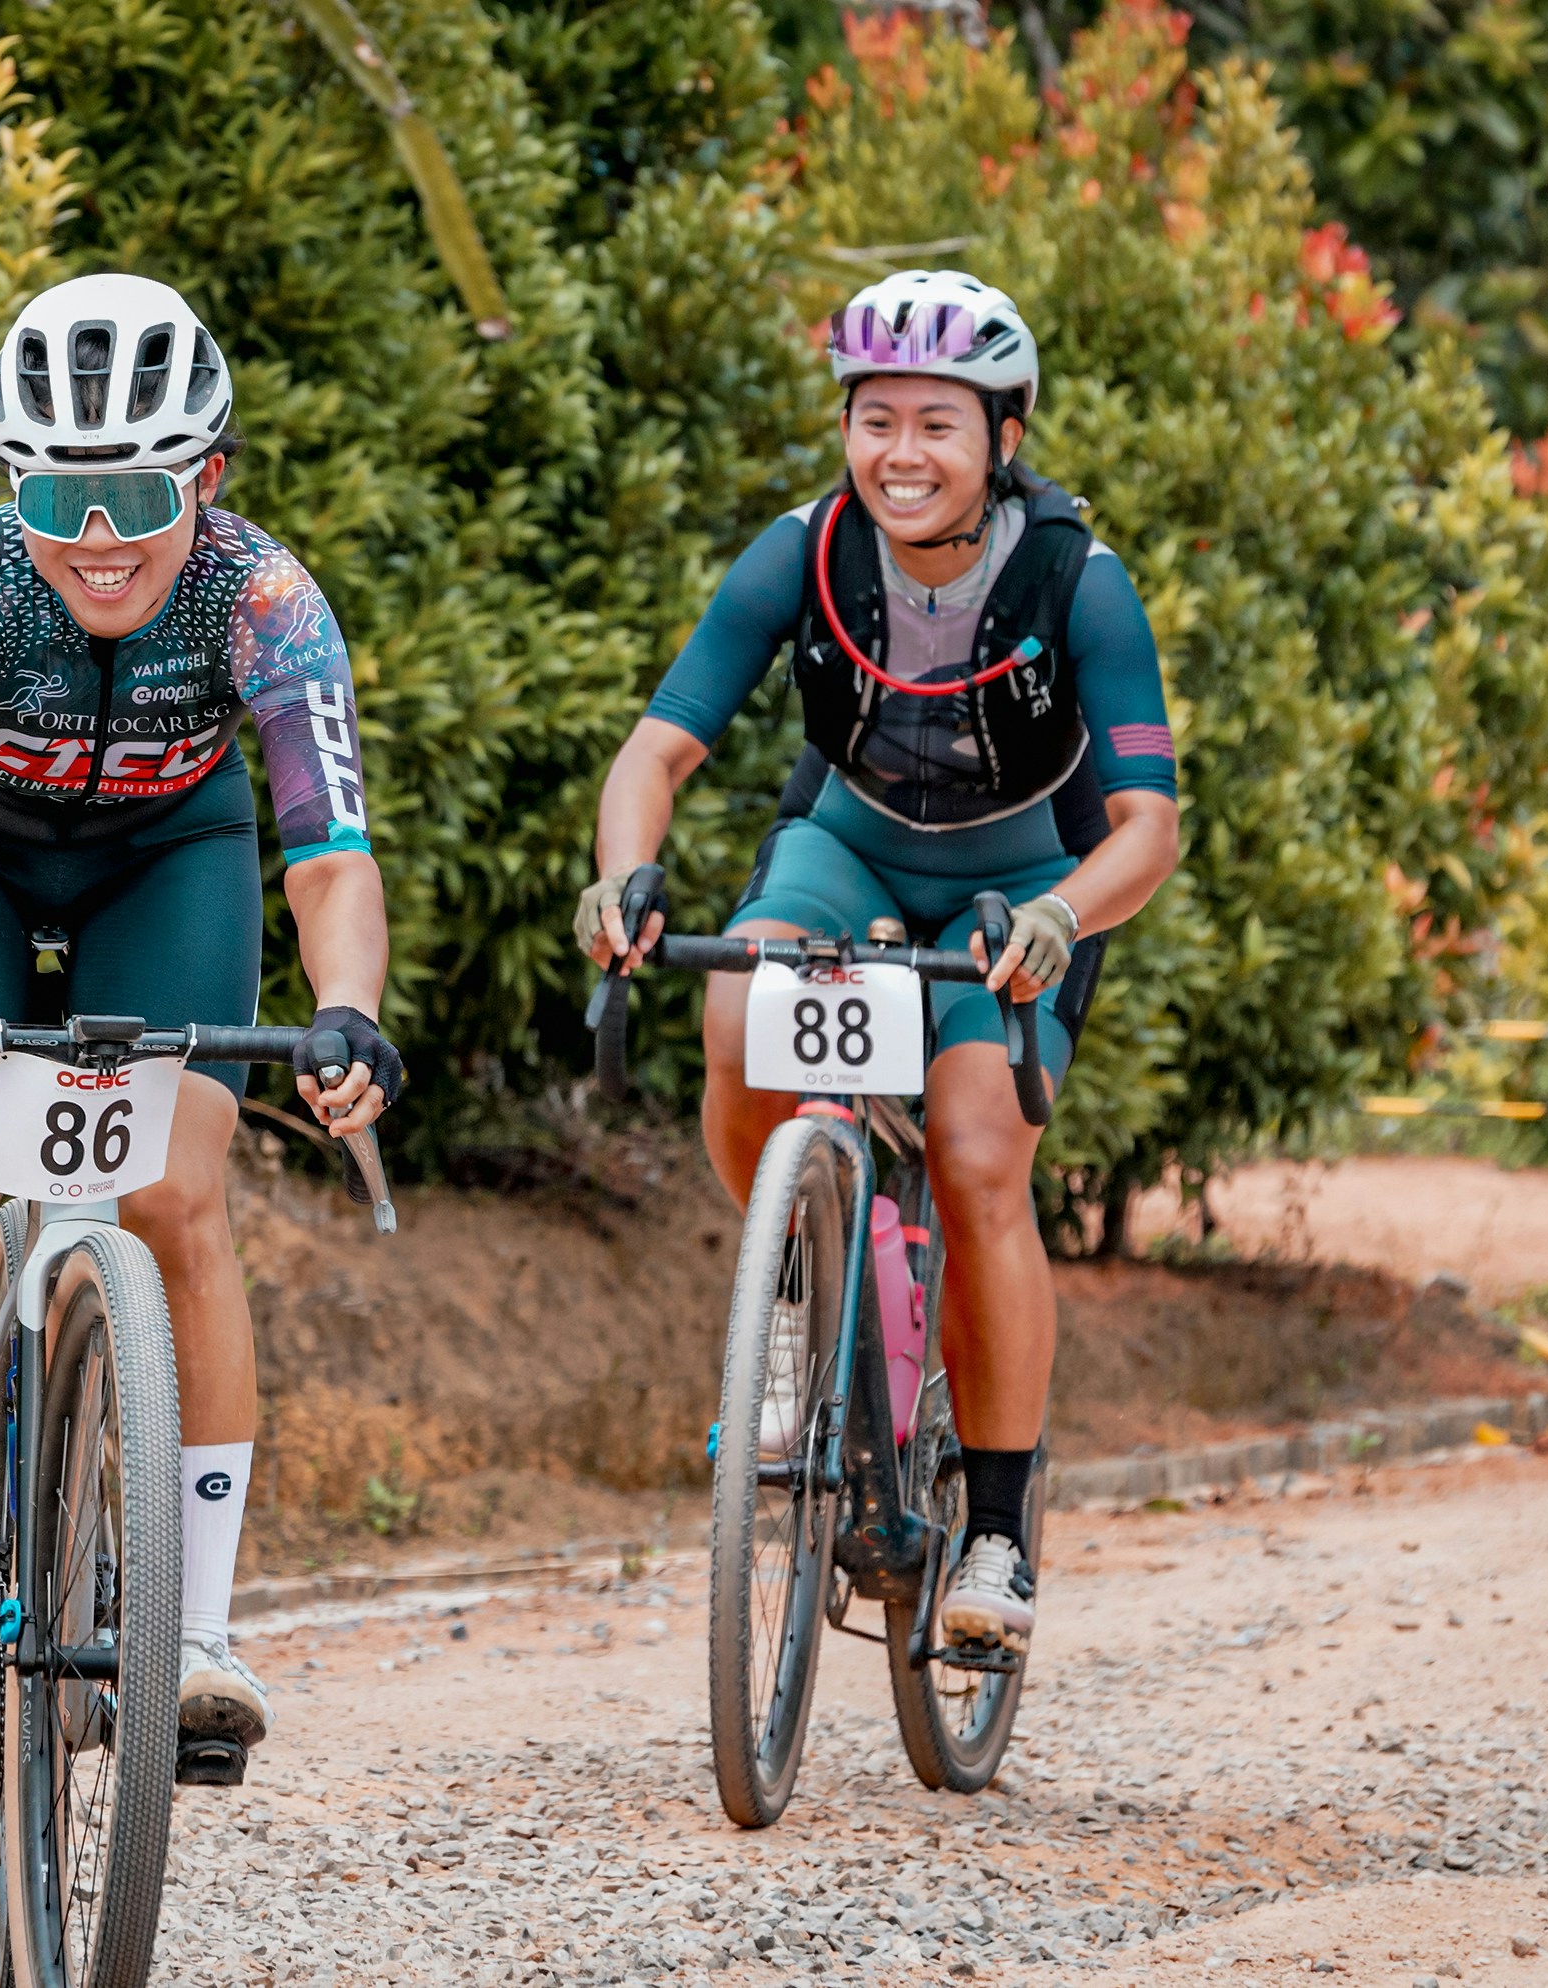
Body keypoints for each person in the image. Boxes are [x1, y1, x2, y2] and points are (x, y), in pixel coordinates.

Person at [0, 273, 400, 1778]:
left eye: (133, 490)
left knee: (181, 1199)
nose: (100, 536)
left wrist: (347, 1017)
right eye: (59, 498)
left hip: (165, 860)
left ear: (210, 475)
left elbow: (328, 854)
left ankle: (192, 1630)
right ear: (14, 491)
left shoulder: (264, 599)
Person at [577, 269, 1179, 1655]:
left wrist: (1064, 918)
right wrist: (622, 875)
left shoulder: (1076, 580)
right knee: (740, 1016)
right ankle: (792, 1275)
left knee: (977, 1160)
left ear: (1002, 441)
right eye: (876, 420)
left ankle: (998, 1534)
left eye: (939, 426)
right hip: (846, 846)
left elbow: (1149, 828)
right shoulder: (802, 550)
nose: (902, 454)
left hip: (1025, 881)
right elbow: (658, 750)